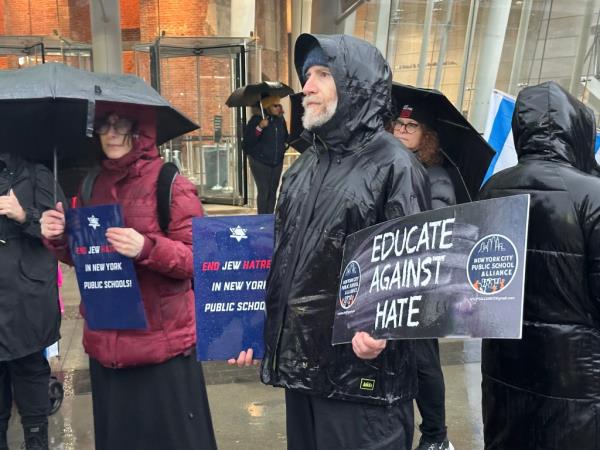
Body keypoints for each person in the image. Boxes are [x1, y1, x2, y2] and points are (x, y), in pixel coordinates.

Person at [232, 34, 430, 450]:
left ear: (354, 84)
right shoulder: (303, 166)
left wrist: (386, 331)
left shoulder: (395, 164)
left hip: (364, 385)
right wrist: (254, 330)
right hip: (302, 376)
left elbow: (413, 268)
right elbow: (283, 262)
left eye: (323, 74)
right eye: (308, 75)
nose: (307, 86)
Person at [40, 104, 217, 450]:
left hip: (161, 350)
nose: (112, 134)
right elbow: (86, 257)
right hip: (108, 348)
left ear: (142, 130)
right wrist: (60, 236)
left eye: (121, 125)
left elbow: (199, 259)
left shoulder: (171, 183)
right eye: (105, 126)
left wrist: (146, 248)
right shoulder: (91, 184)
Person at [479, 81, 600, 449]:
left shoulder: (491, 188)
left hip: (504, 367)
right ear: (577, 129)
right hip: (575, 379)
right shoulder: (592, 195)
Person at [390, 104, 455, 450]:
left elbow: (440, 227)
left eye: (411, 125)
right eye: (398, 124)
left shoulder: (437, 176)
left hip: (421, 283)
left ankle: (436, 436)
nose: (401, 130)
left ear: (425, 136)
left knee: (423, 361)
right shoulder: (389, 167)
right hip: (390, 281)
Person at [0, 152, 63, 450]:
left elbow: (60, 230)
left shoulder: (38, 173)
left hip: (28, 299)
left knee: (29, 376)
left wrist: (23, 214)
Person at [243, 95, 289, 214]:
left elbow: (285, 137)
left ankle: (269, 218)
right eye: (275, 105)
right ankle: (262, 219)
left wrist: (285, 146)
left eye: (279, 105)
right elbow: (247, 143)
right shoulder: (256, 120)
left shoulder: (280, 120)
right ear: (267, 107)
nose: (279, 107)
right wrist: (259, 128)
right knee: (264, 190)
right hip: (259, 161)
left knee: (273, 191)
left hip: (276, 161)